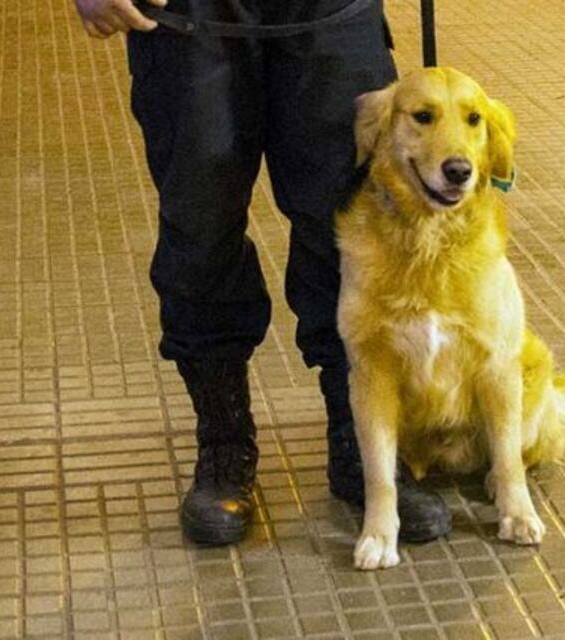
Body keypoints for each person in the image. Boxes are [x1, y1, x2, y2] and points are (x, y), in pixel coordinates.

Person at [72, 0, 451, 546]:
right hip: (188, 16)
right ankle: (224, 444)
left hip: (335, 12)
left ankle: (362, 445)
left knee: (350, 224)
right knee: (200, 226)